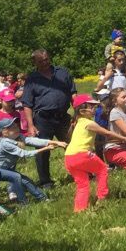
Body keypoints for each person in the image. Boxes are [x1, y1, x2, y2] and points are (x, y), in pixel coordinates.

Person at [64, 96, 126, 212]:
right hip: (82, 155)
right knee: (103, 169)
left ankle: (79, 209)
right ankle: (102, 198)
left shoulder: (78, 122)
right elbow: (108, 133)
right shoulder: (89, 123)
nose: (95, 109)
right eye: (92, 107)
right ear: (82, 111)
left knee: (83, 185)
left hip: (69, 158)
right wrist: (124, 138)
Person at [21, 49, 76, 188]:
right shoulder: (32, 79)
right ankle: (45, 181)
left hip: (63, 117)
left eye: (46, 59)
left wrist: (78, 114)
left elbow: (73, 93)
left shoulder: (62, 72)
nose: (45, 62)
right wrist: (30, 125)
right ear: (34, 62)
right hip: (43, 119)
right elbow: (27, 104)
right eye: (41, 61)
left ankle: (81, 172)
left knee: (74, 145)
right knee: (43, 151)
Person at [0, 117, 62, 205]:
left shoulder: (18, 137)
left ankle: (43, 198)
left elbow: (32, 141)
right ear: (5, 132)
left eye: (16, 126)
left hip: (4, 166)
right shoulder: (5, 143)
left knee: (26, 180)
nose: (17, 128)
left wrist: (54, 142)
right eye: (12, 127)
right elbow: (24, 154)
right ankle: (23, 203)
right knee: (14, 178)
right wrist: (46, 148)